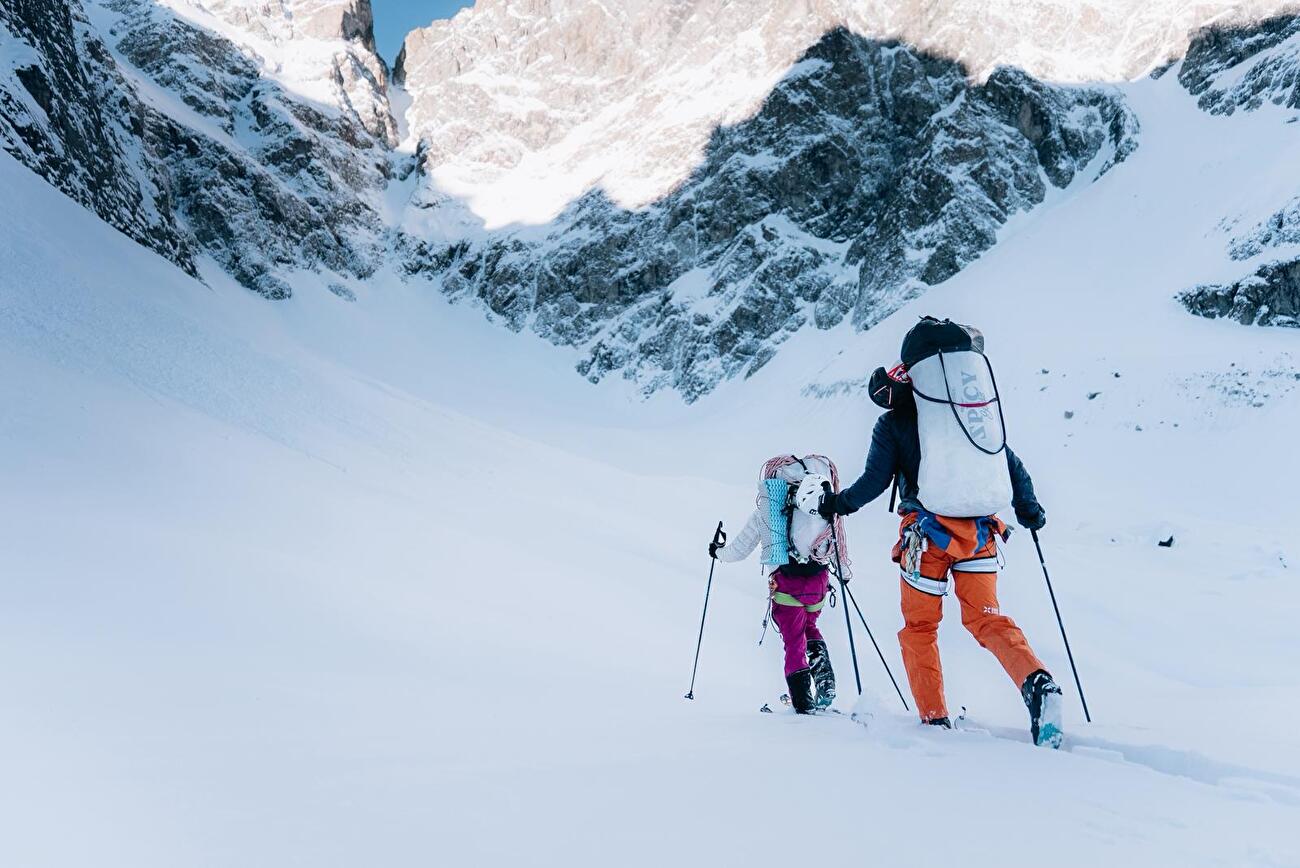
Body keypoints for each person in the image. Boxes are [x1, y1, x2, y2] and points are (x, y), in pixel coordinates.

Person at [819, 317, 1064, 746]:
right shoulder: (968, 415)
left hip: (926, 540)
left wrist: (836, 505)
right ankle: (1037, 683)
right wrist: (1029, 508)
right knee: (987, 620)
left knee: (920, 628)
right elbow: (1008, 461)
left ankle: (934, 719)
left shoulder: (894, 423)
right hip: (980, 534)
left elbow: (874, 483)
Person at [711, 456, 847, 714]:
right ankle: (824, 678)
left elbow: (740, 549)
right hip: (818, 582)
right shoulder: (823, 506)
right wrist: (846, 573)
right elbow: (838, 542)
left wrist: (718, 553)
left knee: (794, 640)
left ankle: (803, 702)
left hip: (786, 585)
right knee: (810, 626)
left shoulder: (770, 511)